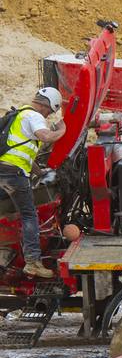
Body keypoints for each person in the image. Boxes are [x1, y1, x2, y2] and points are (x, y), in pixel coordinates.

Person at [0, 87, 67, 279]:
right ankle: (32, 262)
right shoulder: (34, 116)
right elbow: (46, 136)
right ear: (47, 106)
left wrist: (40, 172)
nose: (48, 115)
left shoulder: (20, 115)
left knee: (7, 210)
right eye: (50, 112)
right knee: (29, 215)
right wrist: (62, 129)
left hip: (3, 172)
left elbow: (21, 153)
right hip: (14, 175)